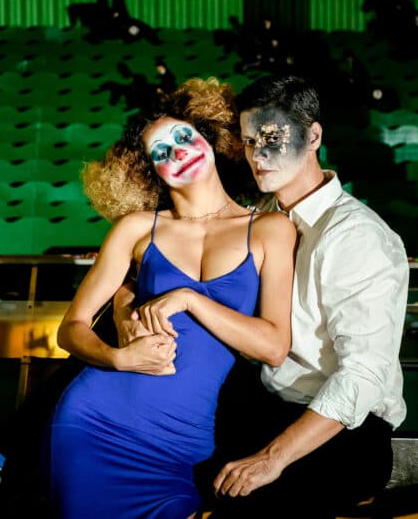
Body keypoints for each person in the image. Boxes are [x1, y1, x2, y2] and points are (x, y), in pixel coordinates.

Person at [113, 74, 410, 519]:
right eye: (250, 142)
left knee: (236, 499)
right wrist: (124, 315)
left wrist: (273, 458)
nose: (258, 156)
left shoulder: (358, 236)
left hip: (342, 432)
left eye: (272, 138)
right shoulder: (262, 218)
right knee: (136, 448)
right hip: (262, 404)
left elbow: (363, 375)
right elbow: (147, 277)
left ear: (313, 136)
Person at [42, 77, 297, 519]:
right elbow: (71, 329)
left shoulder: (271, 229)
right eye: (160, 152)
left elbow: (274, 346)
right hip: (96, 423)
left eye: (183, 137)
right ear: (149, 171)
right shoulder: (136, 229)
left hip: (183, 442)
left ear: (211, 139)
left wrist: (189, 299)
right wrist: (118, 357)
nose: (176, 152)